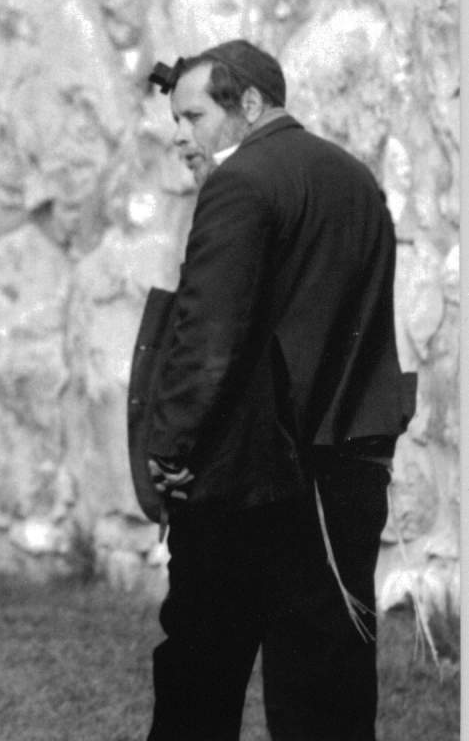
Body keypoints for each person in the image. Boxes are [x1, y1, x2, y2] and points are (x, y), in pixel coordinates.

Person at [141, 40, 416, 740]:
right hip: (346, 467)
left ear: (251, 105)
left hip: (247, 477)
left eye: (193, 116)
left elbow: (205, 336)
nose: (180, 137)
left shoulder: (239, 183)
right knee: (327, 677)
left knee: (200, 672)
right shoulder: (354, 178)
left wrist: (168, 448)